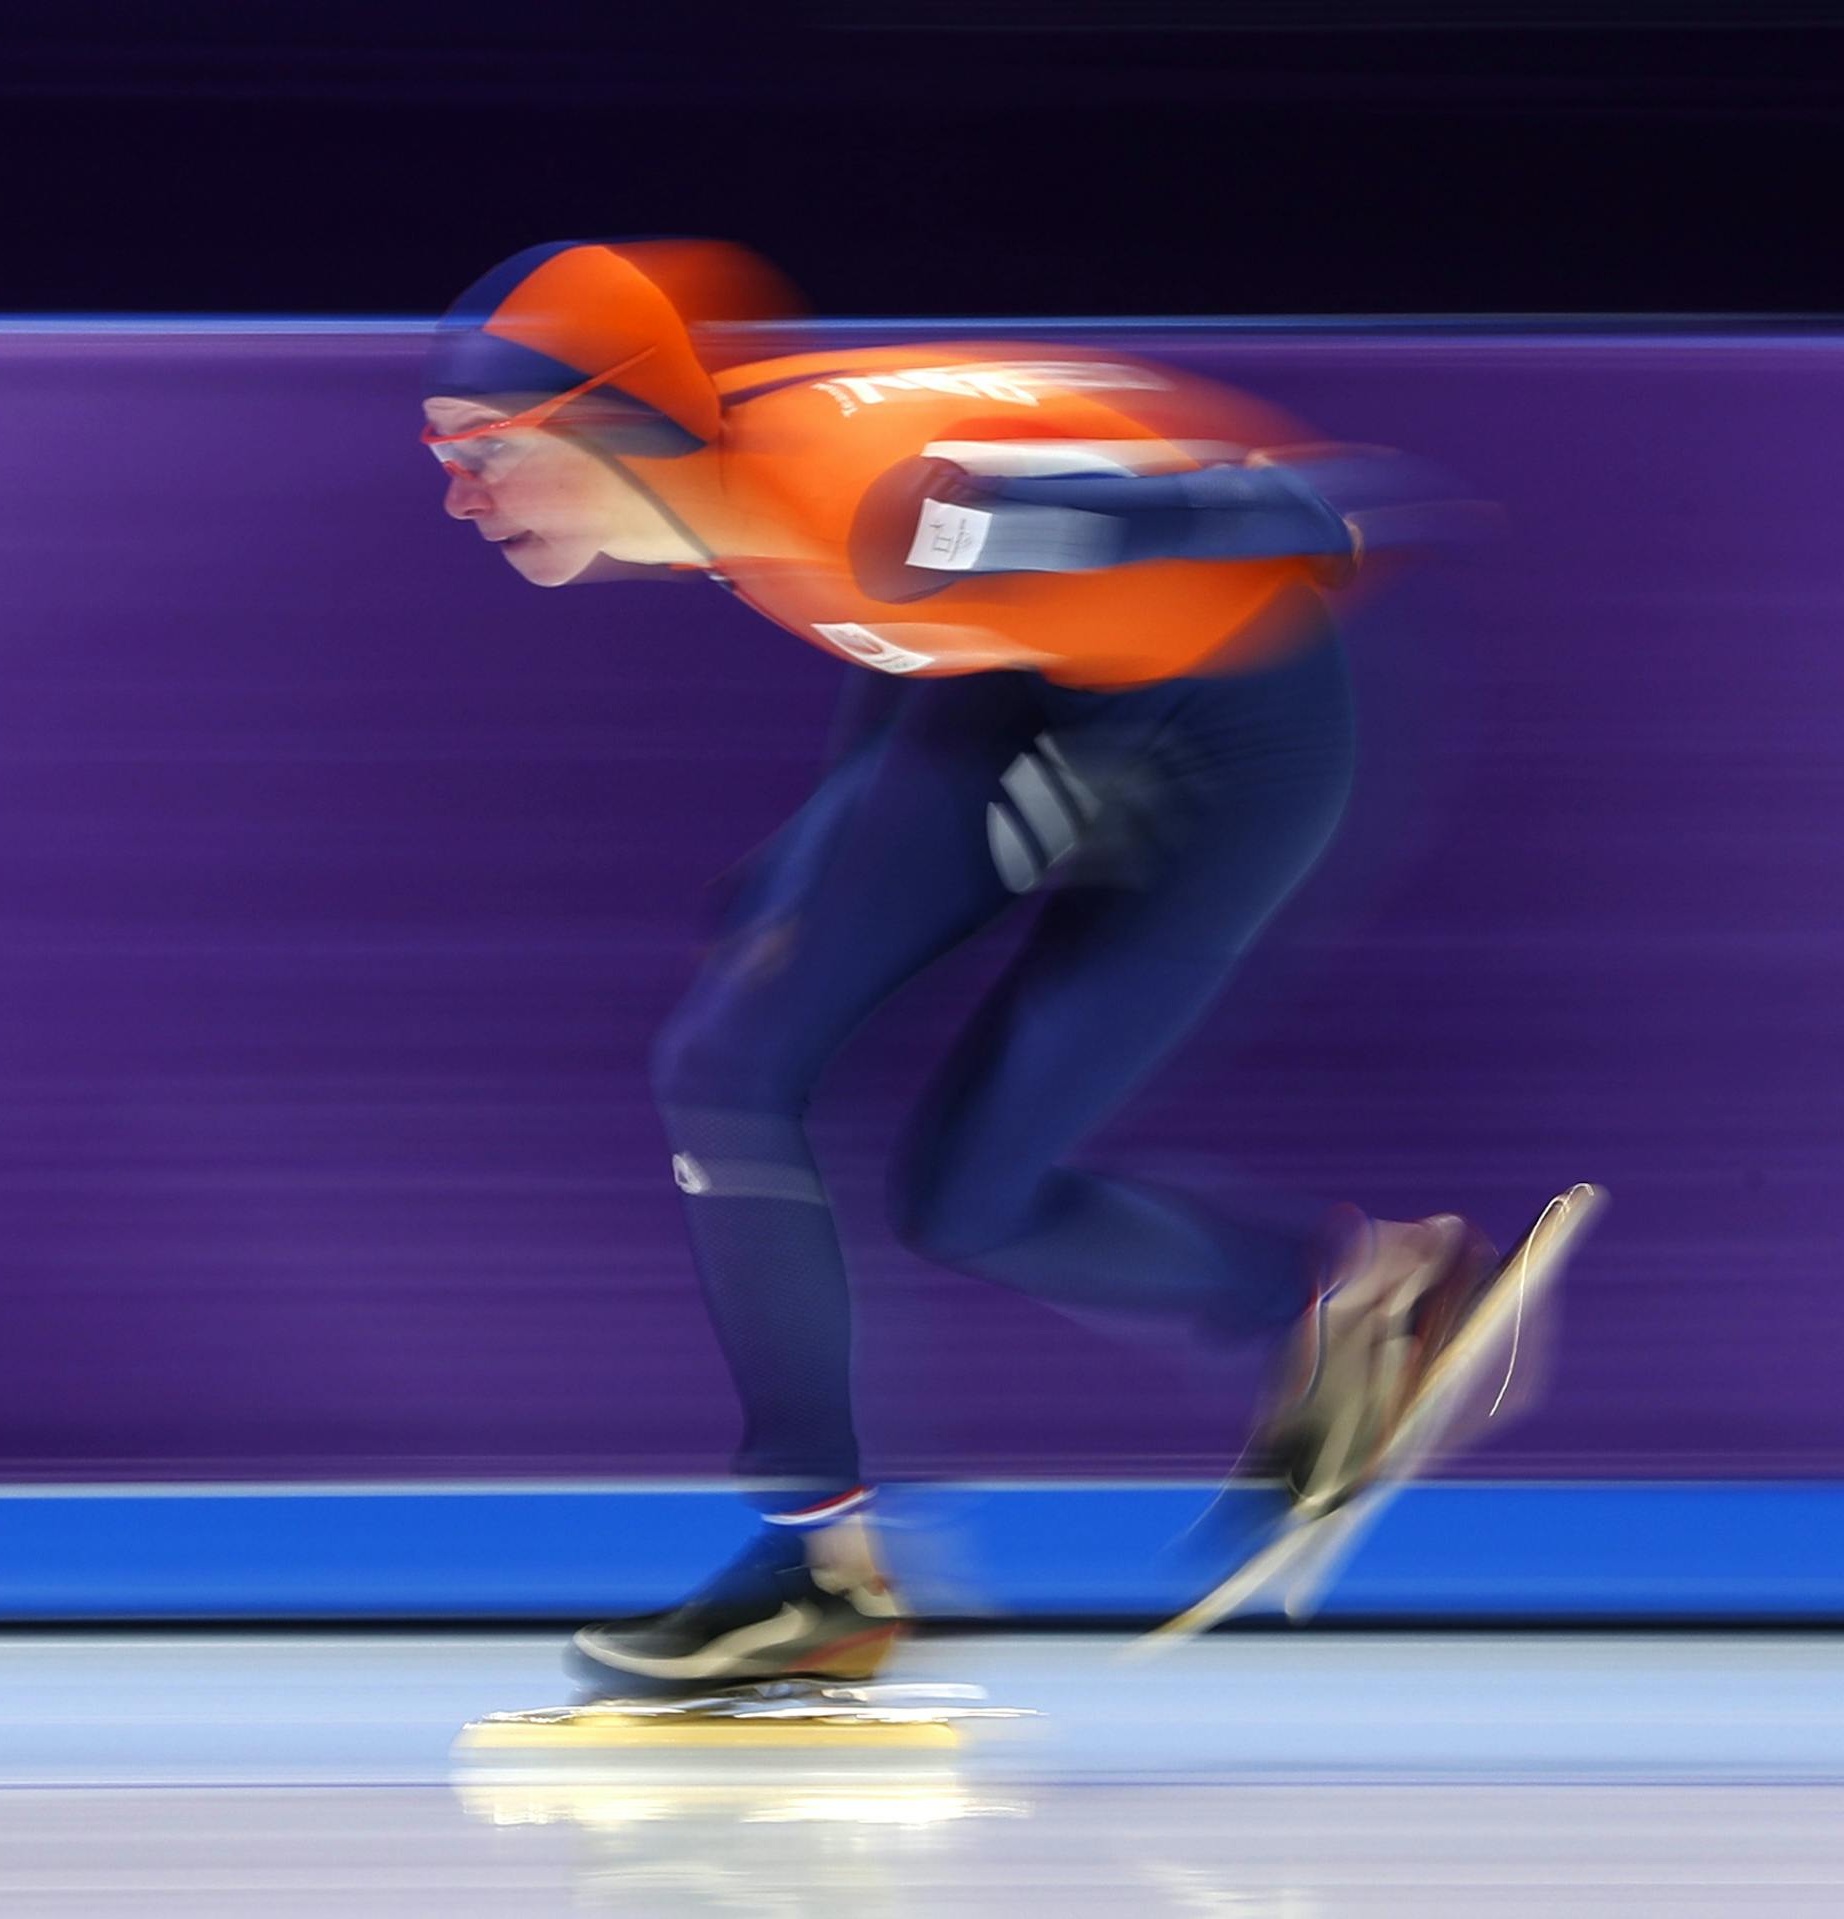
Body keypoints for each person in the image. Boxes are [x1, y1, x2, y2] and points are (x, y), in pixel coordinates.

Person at [421, 238, 1495, 1694]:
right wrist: (812, 861)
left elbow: (1118, 517)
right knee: (729, 1065)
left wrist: (1317, 505)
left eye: (484, 450)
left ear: (607, 422)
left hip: (1235, 726)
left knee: (972, 1195)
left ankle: (1360, 1302)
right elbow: (912, 635)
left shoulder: (875, 510)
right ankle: (822, 1572)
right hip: (1022, 686)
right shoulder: (737, 494)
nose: (457, 493)